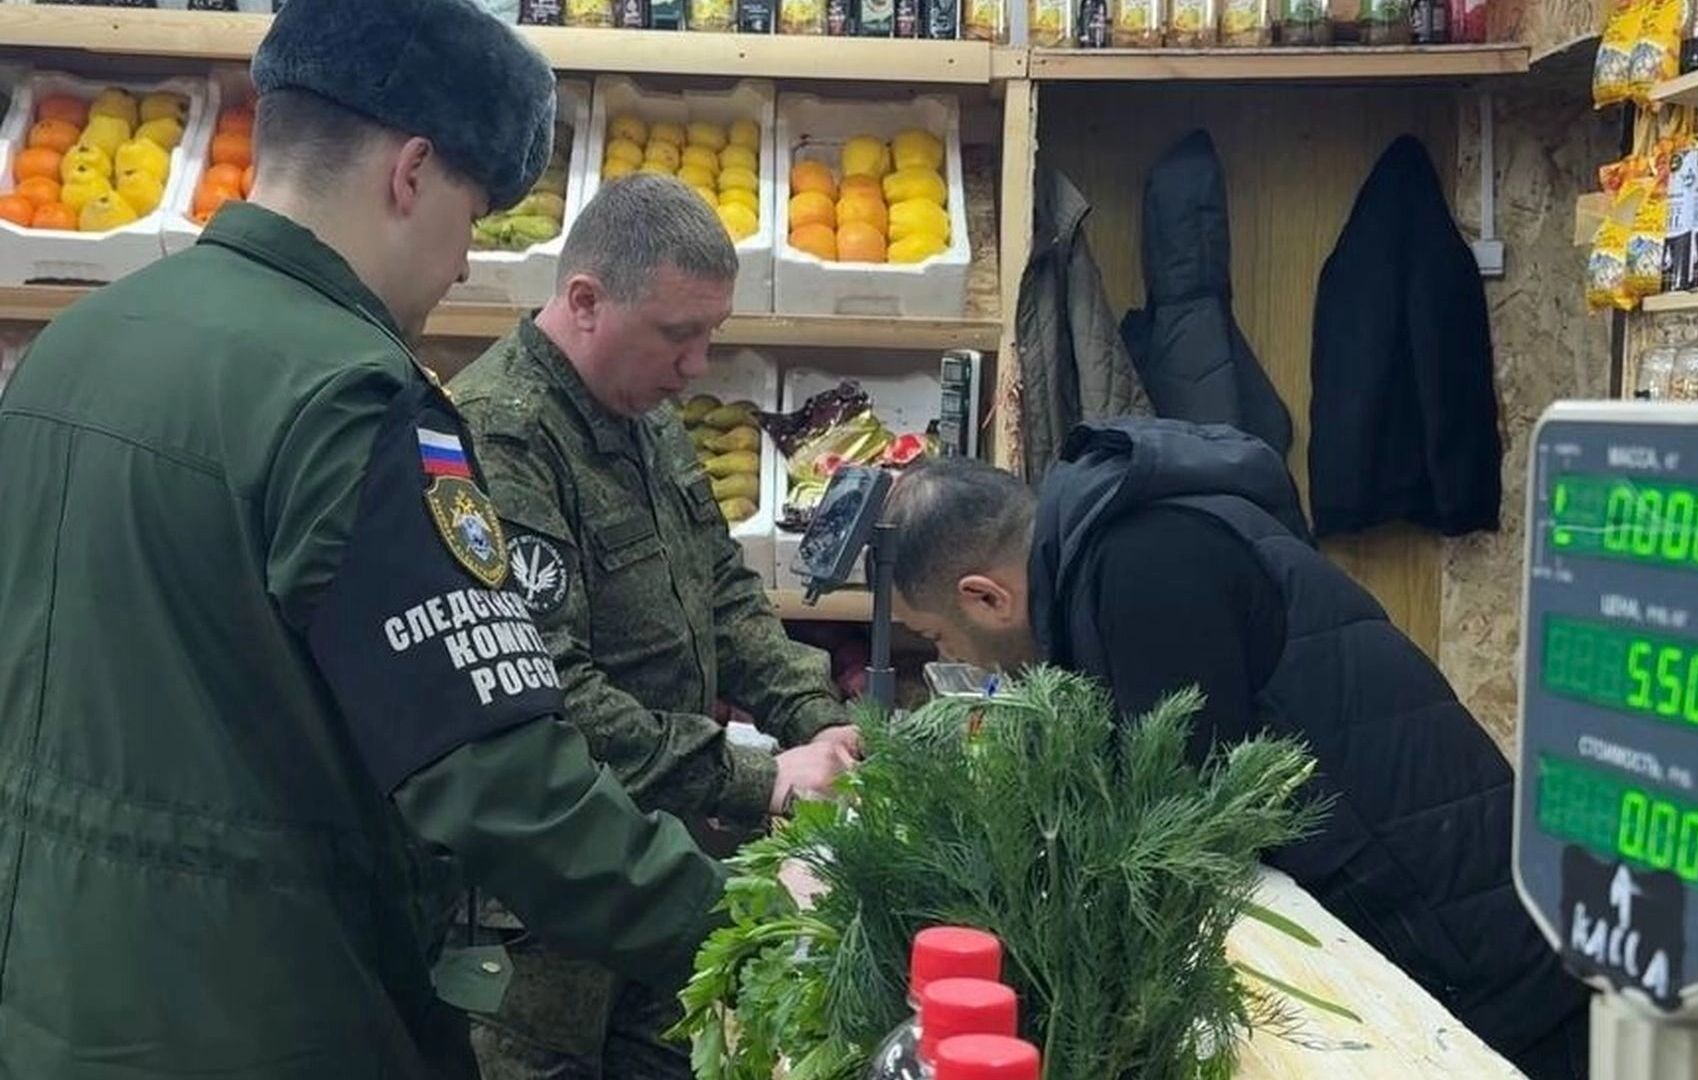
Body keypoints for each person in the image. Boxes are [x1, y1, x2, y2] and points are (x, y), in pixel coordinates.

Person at [0, 3, 731, 1077]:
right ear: (412, 173)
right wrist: (733, 922)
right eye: (472, 216)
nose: (465, 265)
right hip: (270, 1020)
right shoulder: (355, 398)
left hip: (47, 1003)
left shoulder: (68, 351)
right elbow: (496, 777)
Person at [882, 418, 1593, 1080]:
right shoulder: (1112, 551)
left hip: (1479, 955)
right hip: (1451, 918)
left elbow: (1174, 832)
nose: (955, 661)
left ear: (987, 598)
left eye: (939, 638)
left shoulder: (1140, 568)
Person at [448, 174, 859, 1079]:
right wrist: (762, 778)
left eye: (711, 333)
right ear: (585, 301)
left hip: (663, 872)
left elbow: (721, 588)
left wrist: (816, 719)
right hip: (544, 914)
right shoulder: (500, 434)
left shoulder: (645, 413)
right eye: (677, 334)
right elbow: (550, 693)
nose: (697, 365)